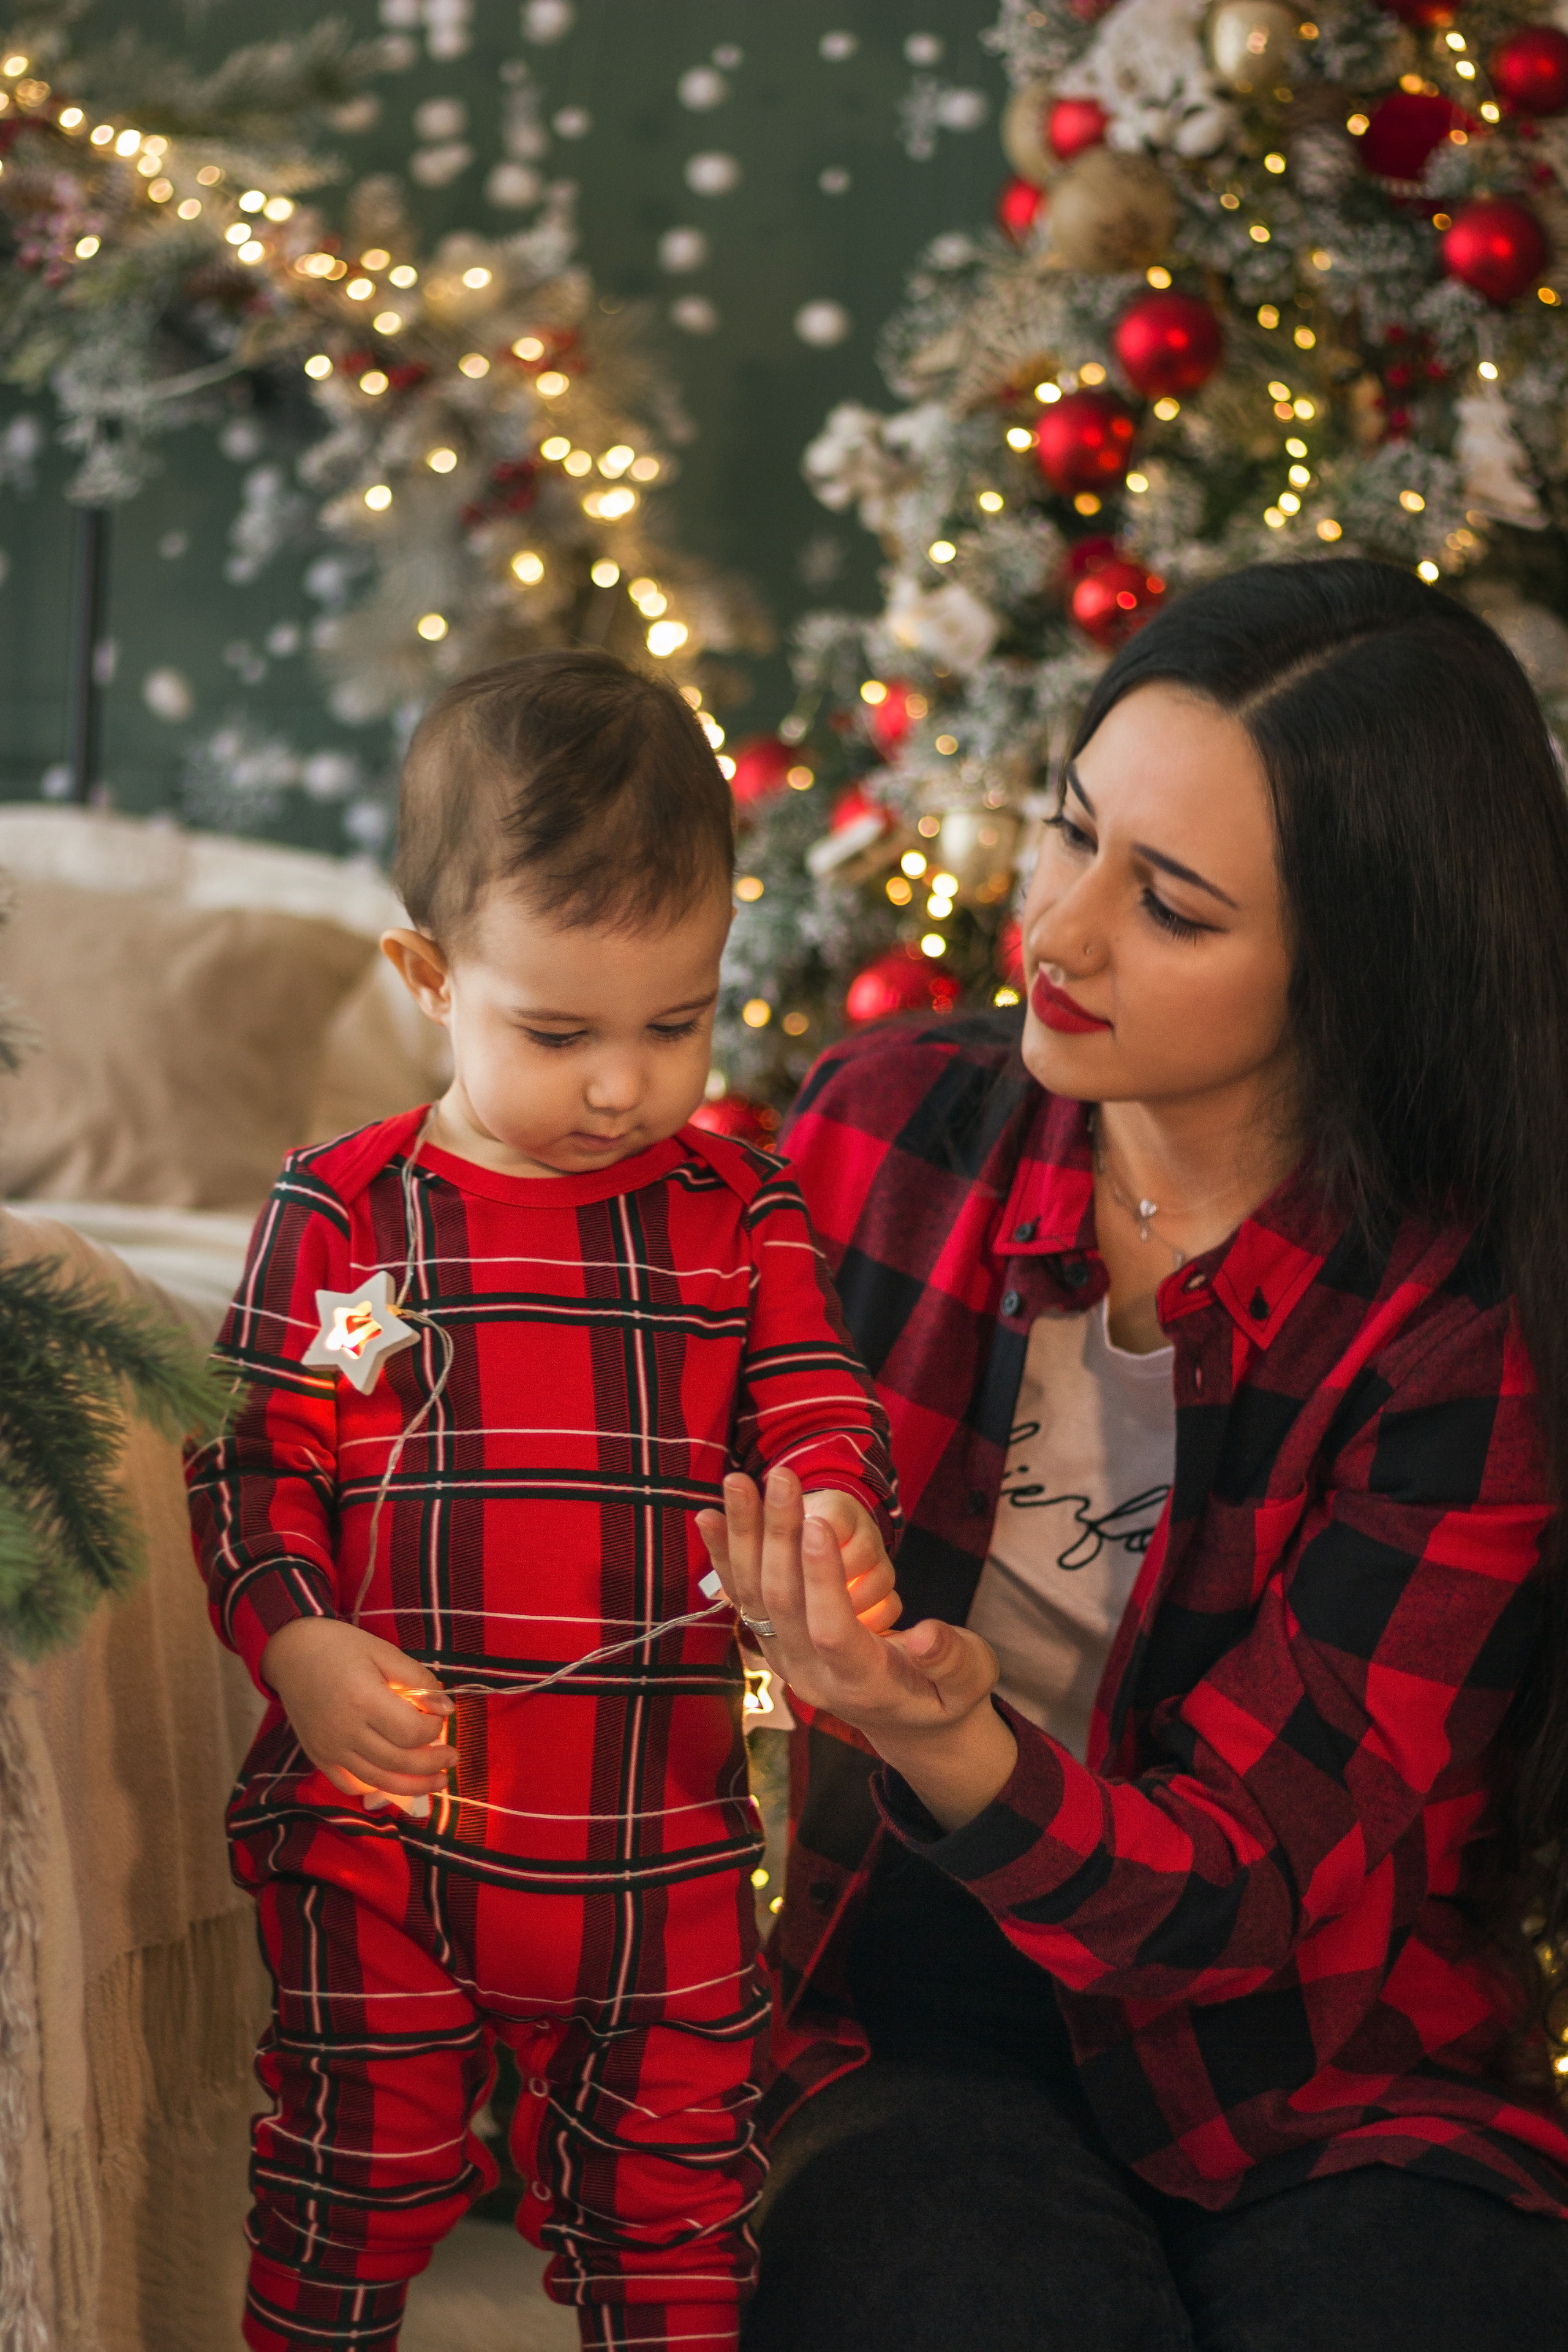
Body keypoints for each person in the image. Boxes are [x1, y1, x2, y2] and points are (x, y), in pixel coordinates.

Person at [697, 560, 1568, 2351]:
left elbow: (1254, 1892)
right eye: (1067, 832)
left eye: (1168, 904)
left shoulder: (1467, 1325)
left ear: (1360, 959)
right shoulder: (879, 1135)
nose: (1060, 933)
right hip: (911, 2009)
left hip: (1320, 2061)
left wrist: (947, 1730)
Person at [185, 650, 901, 2352]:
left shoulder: (739, 1211)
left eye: (679, 1023)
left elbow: (814, 1401)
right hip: (381, 1839)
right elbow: (251, 1459)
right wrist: (295, 1649)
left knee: (672, 2222)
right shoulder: (346, 1211)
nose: (620, 1085)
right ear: (430, 978)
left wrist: (830, 1513)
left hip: (657, 1848)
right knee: (349, 2180)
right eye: (558, 1029)